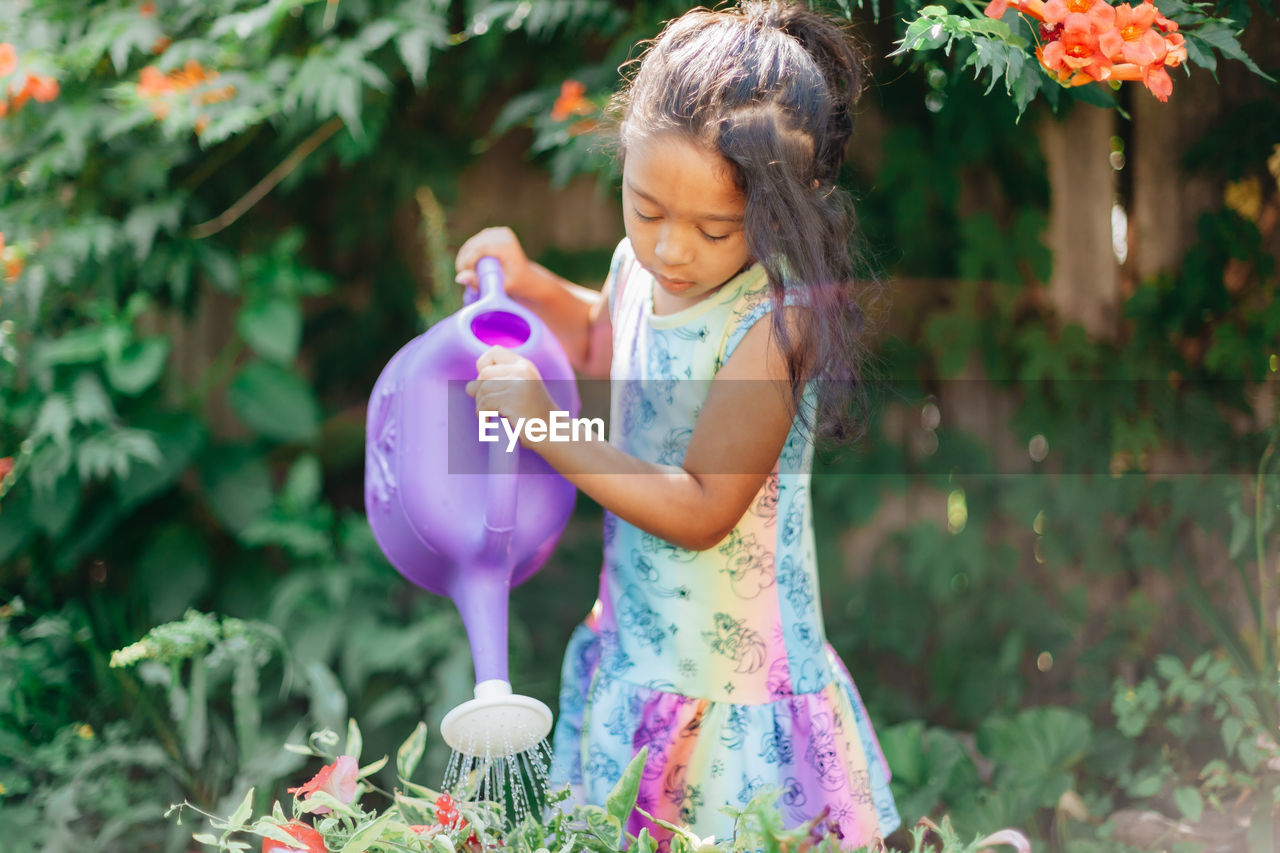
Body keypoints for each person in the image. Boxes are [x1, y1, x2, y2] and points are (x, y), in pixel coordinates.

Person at [453, 1, 900, 847]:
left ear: (779, 212)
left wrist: (547, 429)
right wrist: (532, 282)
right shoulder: (641, 268)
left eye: (714, 228)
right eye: (646, 208)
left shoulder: (772, 328)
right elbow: (608, 334)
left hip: (729, 686)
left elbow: (701, 507)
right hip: (638, 649)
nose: (670, 250)